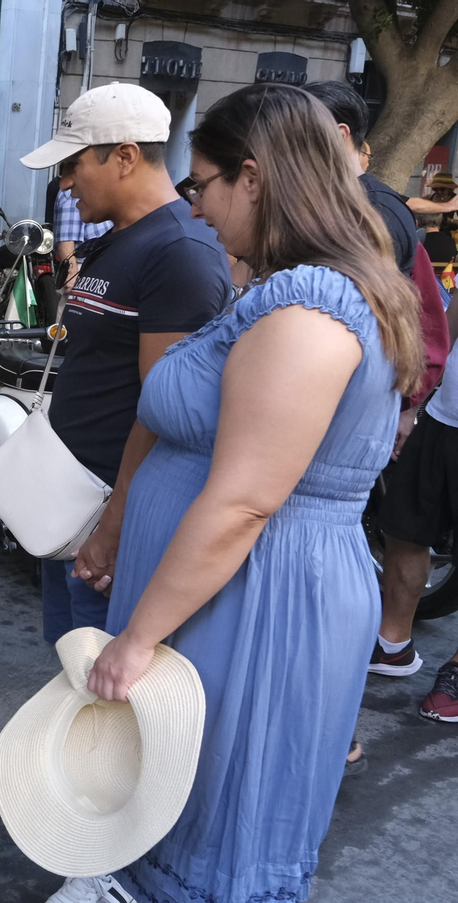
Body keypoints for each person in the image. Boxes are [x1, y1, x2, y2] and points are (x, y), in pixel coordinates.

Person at [69, 82, 425, 903]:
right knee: (187, 810)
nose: (194, 209)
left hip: (258, 598)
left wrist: (137, 639)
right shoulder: (294, 289)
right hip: (238, 590)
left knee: (219, 822)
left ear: (254, 178)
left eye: (202, 186)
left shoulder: (310, 309)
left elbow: (243, 502)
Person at [18, 83, 230, 647]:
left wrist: (114, 526)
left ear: (126, 155)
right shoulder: (121, 238)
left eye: (73, 165)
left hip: (111, 518)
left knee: (101, 694)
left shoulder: (178, 252)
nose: (64, 184)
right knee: (71, 677)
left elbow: (162, 409)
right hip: (73, 505)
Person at [52, 156, 112, 291]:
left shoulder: (93, 188)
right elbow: (66, 239)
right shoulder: (72, 190)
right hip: (82, 271)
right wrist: (71, 275)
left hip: (97, 270)